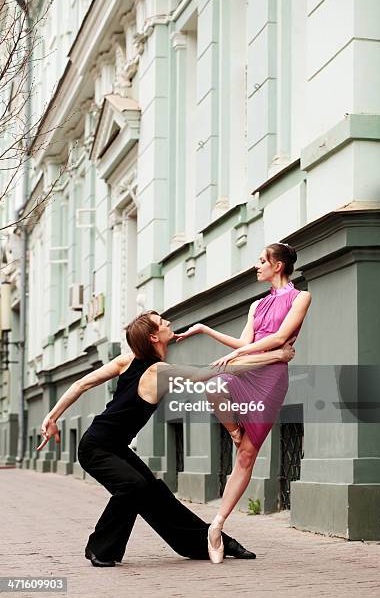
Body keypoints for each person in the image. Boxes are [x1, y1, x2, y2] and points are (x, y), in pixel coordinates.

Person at [37, 310, 295, 567]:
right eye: (162, 322)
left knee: (156, 495)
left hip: (114, 447)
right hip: (96, 447)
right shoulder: (154, 370)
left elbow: (81, 384)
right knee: (134, 486)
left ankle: (209, 542)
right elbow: (207, 373)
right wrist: (275, 357)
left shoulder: (130, 361)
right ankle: (101, 549)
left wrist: (52, 416)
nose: (168, 322)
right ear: (153, 337)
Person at [176, 243, 311, 563]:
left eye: (262, 261)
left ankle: (217, 526)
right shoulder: (256, 305)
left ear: (278, 266)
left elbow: (280, 340)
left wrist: (238, 354)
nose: (257, 265)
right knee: (214, 387)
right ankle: (235, 433)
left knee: (247, 456)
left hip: (270, 379)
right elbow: (245, 342)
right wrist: (205, 330)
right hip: (246, 371)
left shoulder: (300, 297)